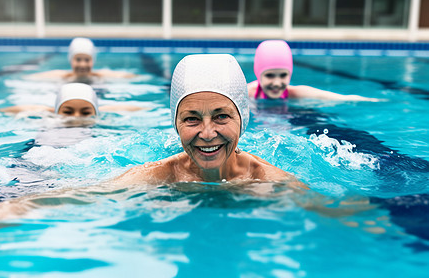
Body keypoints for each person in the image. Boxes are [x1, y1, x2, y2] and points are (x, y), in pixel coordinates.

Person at [110, 54, 306, 187]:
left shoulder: (271, 182)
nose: (207, 133)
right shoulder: (157, 176)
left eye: (221, 116)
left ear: (242, 119)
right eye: (192, 119)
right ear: (176, 124)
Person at [248, 40, 381, 101]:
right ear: (258, 74)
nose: (277, 83)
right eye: (270, 75)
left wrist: (373, 101)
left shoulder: (295, 93)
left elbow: (341, 98)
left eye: (283, 75)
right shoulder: (246, 94)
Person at [0, 83, 143, 117]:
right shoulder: (50, 116)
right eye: (68, 111)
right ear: (56, 110)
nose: (76, 117)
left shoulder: (100, 116)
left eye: (85, 112)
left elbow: (128, 108)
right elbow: (25, 107)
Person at [25, 37, 137, 83]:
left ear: (93, 61)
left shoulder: (100, 75)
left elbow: (132, 77)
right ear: (71, 60)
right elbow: (29, 78)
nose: (83, 64)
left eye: (87, 60)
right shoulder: (62, 76)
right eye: (78, 59)